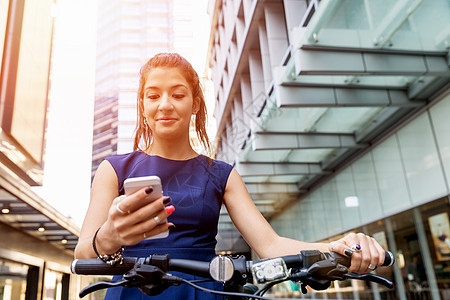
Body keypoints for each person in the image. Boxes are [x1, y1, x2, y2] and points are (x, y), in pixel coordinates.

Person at [74, 53, 387, 299]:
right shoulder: (114, 169)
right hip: (132, 292)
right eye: (153, 96)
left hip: (203, 292)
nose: (164, 105)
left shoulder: (222, 175)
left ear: (195, 103)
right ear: (143, 106)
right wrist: (110, 237)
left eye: (178, 94)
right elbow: (83, 254)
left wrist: (336, 247)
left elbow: (270, 244)